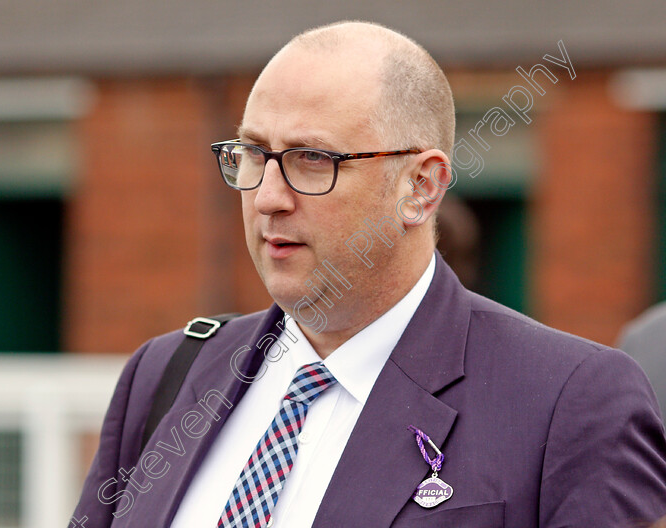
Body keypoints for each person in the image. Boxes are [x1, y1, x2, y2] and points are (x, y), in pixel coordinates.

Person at [71, 21, 666, 527]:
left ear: (421, 187)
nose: (268, 197)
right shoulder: (166, 375)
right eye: (253, 154)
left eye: (312, 159)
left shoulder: (570, 400)